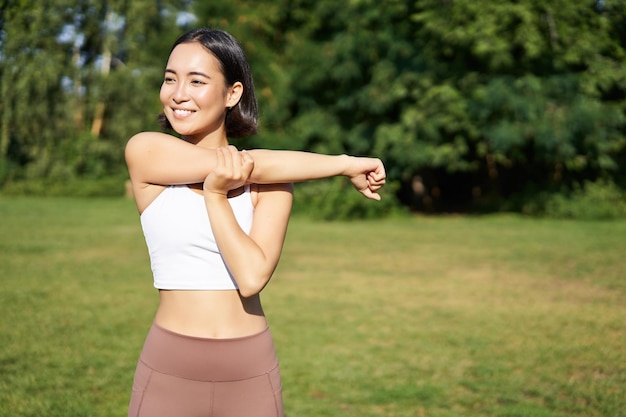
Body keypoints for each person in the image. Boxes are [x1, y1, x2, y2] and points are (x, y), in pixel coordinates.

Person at [125, 28, 386, 417]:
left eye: (197, 80)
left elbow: (250, 278)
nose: (178, 93)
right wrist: (343, 164)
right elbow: (251, 164)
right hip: (169, 365)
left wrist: (216, 197)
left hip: (248, 369)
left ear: (232, 93)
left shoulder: (274, 184)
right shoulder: (146, 151)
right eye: (169, 78)